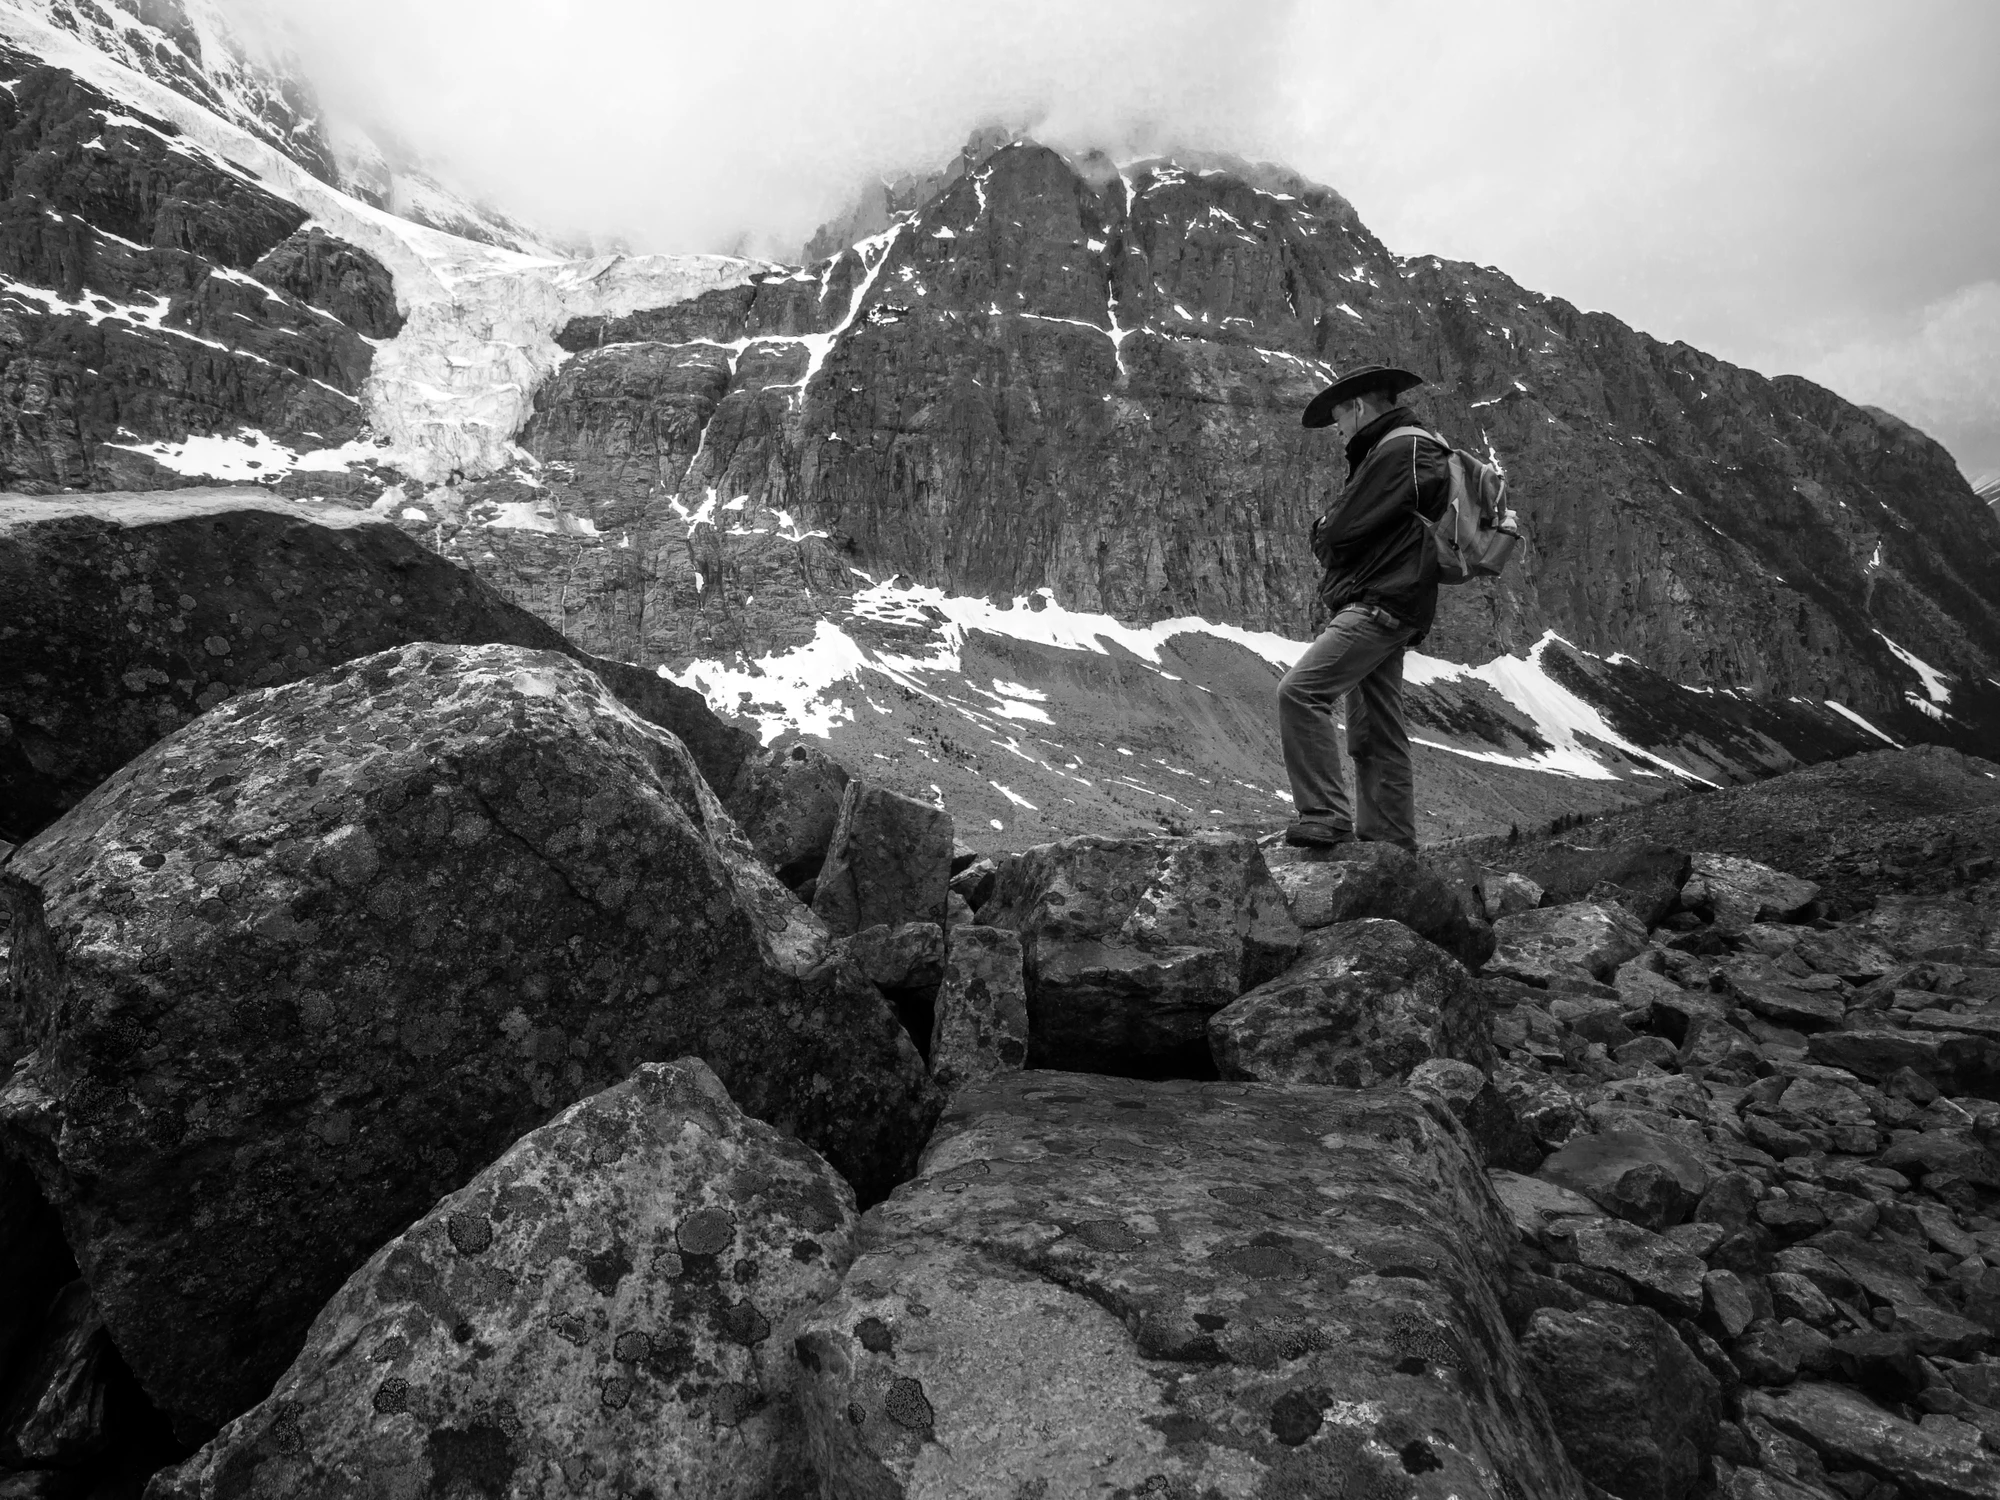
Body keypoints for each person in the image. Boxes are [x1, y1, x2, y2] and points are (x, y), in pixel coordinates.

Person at [1278, 363, 1451, 851]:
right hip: (1397, 602)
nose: (1338, 433)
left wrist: (1322, 528)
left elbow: (1336, 534)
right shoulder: (1410, 447)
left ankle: (1325, 815)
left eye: (1339, 420)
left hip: (1378, 601)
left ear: (1357, 407)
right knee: (1375, 728)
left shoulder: (1399, 450)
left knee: (1301, 692)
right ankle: (1391, 844)